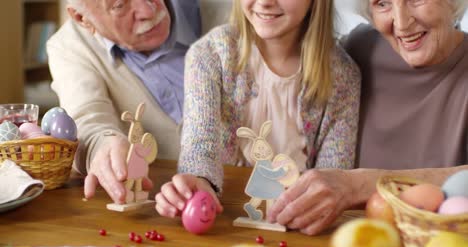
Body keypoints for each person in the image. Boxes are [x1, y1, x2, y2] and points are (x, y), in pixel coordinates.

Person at [267, 0, 468, 235]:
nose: (402, 24)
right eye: (382, 3)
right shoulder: (358, 51)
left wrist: (359, 185)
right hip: (346, 241)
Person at [155, 0, 361, 223]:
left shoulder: (343, 76)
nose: (264, 2)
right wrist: (198, 180)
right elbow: (199, 144)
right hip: (224, 214)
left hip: (298, 219)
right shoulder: (209, 54)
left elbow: (332, 176)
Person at [46, 0, 201, 204]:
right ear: (81, 18)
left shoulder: (221, 8)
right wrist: (103, 146)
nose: (149, 10)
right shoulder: (69, 46)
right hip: (167, 199)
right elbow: (87, 121)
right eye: (119, 5)